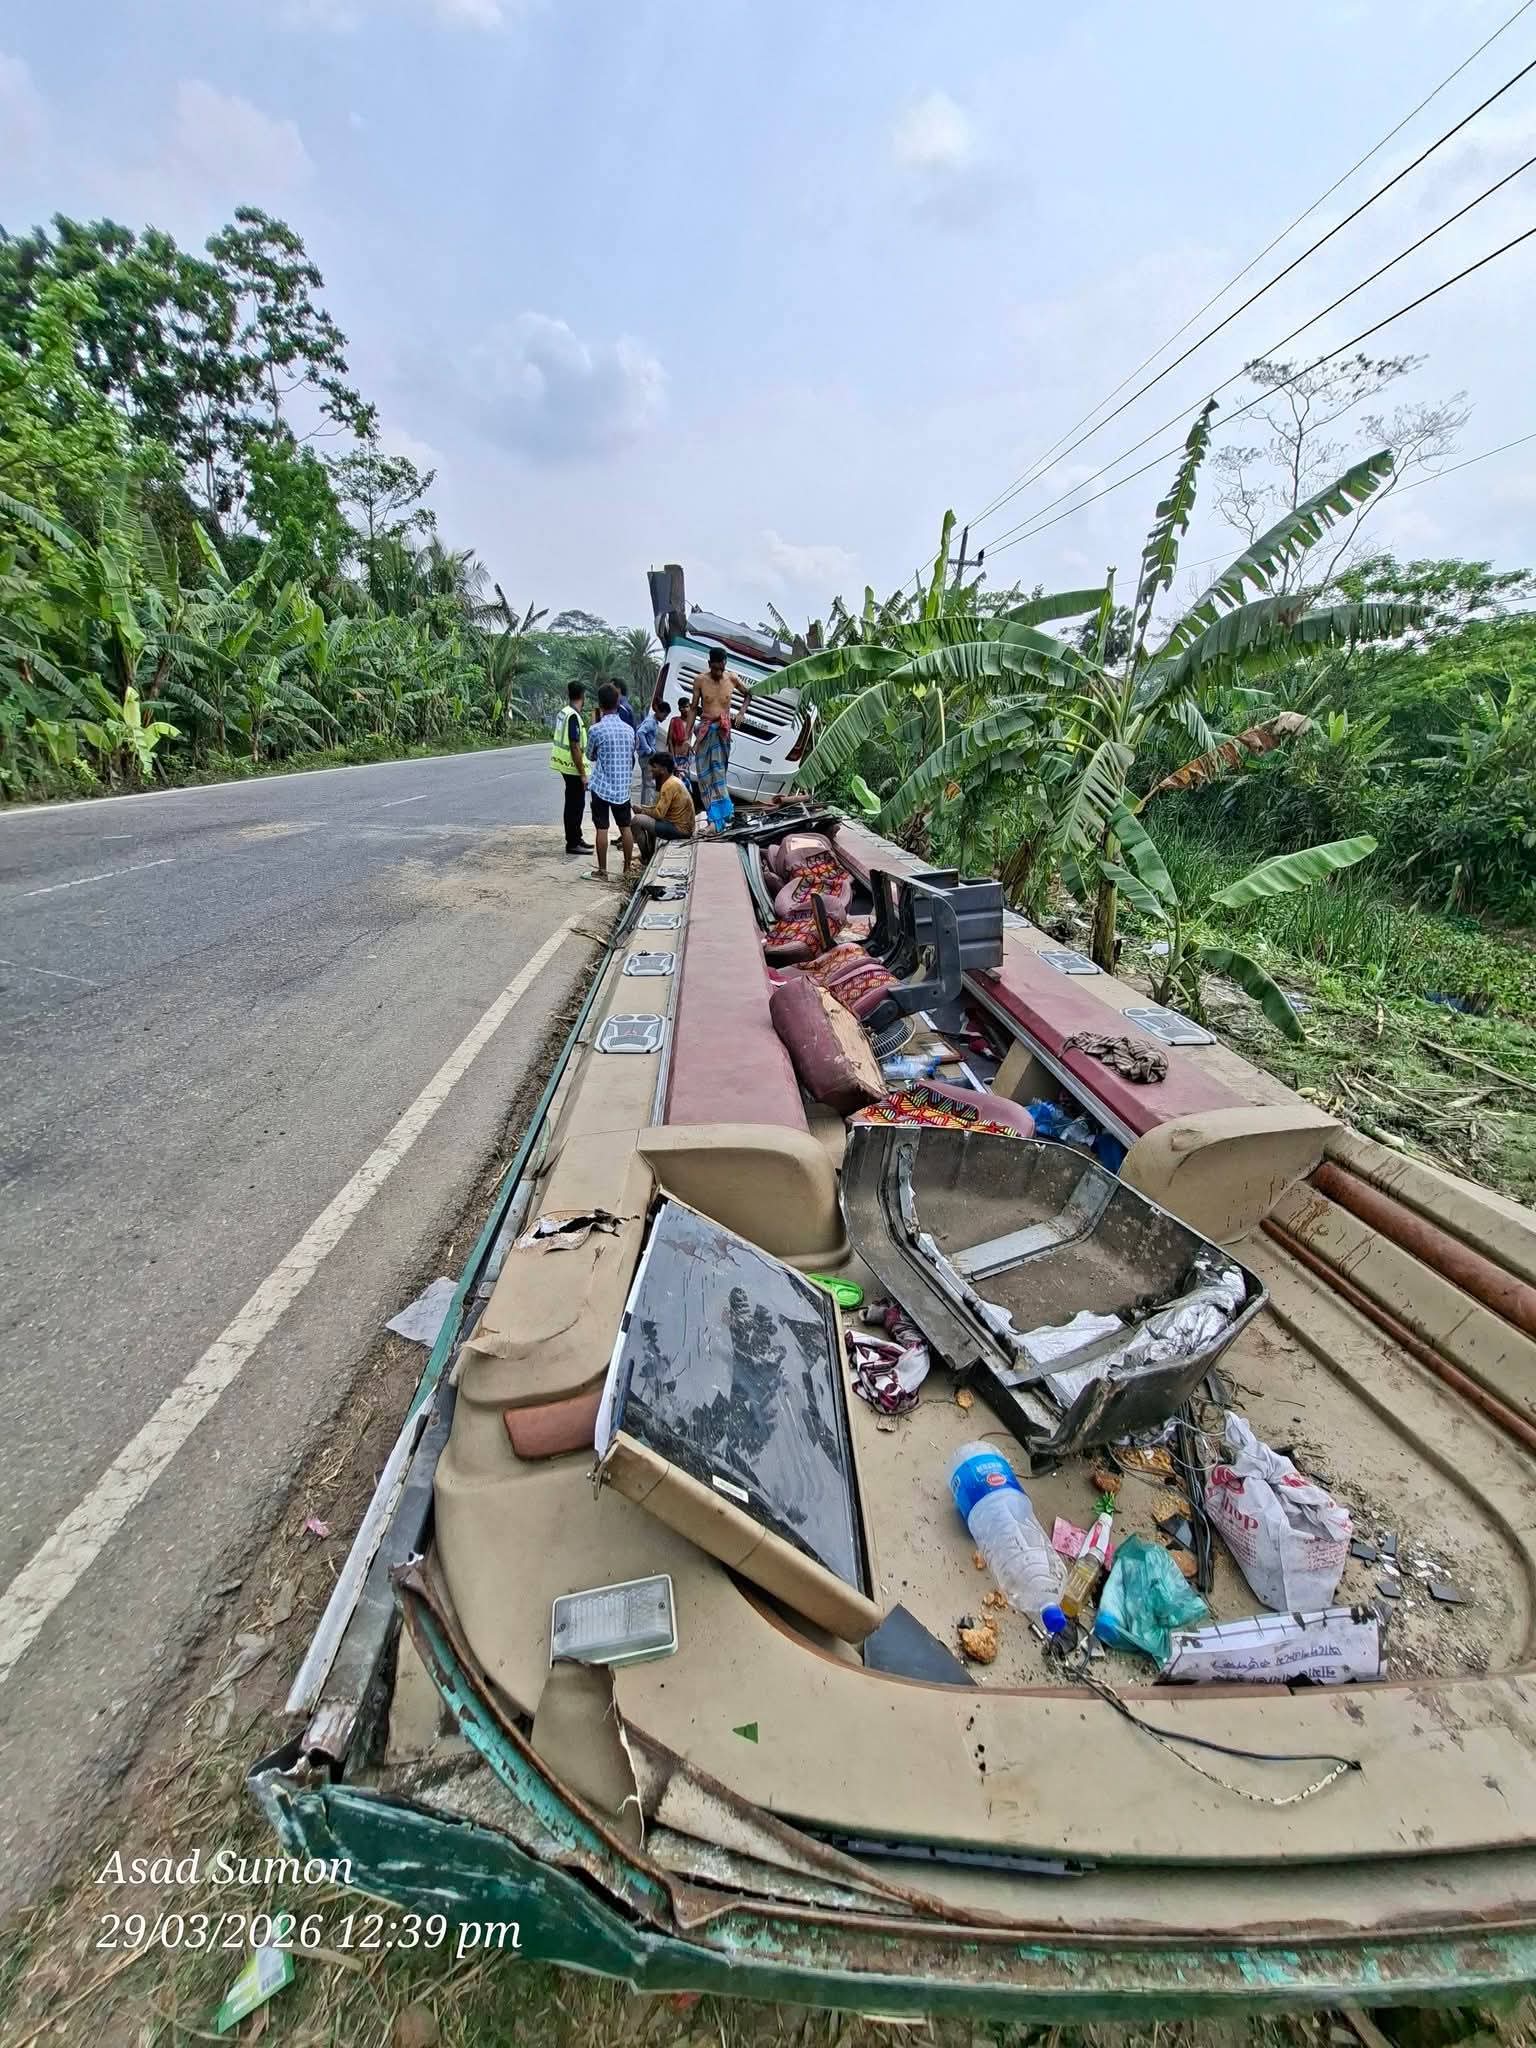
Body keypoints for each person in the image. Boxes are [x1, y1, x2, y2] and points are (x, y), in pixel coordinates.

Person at [685, 645, 748, 831]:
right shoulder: (700, 680)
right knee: (704, 777)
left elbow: (748, 695)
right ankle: (715, 818)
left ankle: (723, 817)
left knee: (719, 775)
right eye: (714, 668)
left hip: (722, 733)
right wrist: (688, 736)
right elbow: (694, 709)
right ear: (709, 664)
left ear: (725, 664)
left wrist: (741, 713)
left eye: (720, 669)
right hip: (705, 732)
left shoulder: (733, 678)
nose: (717, 672)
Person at [585, 681, 637, 880]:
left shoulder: (595, 730)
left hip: (602, 786)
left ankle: (603, 870)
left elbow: (590, 755)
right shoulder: (629, 730)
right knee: (625, 828)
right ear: (618, 702)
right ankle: (626, 869)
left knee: (602, 828)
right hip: (622, 787)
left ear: (600, 703)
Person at [550, 679, 591, 857]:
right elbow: (574, 746)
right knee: (576, 805)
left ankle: (576, 837)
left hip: (565, 765)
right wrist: (582, 773)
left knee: (573, 803)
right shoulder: (573, 716)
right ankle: (573, 842)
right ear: (583, 696)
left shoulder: (564, 712)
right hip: (572, 767)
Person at [632, 750, 695, 859]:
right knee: (646, 818)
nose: (651, 769)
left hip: (680, 830)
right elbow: (658, 809)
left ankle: (645, 856)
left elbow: (658, 814)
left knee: (636, 821)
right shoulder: (671, 780)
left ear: (663, 769)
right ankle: (650, 853)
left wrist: (642, 810)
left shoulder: (669, 785)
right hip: (680, 826)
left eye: (654, 767)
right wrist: (643, 808)